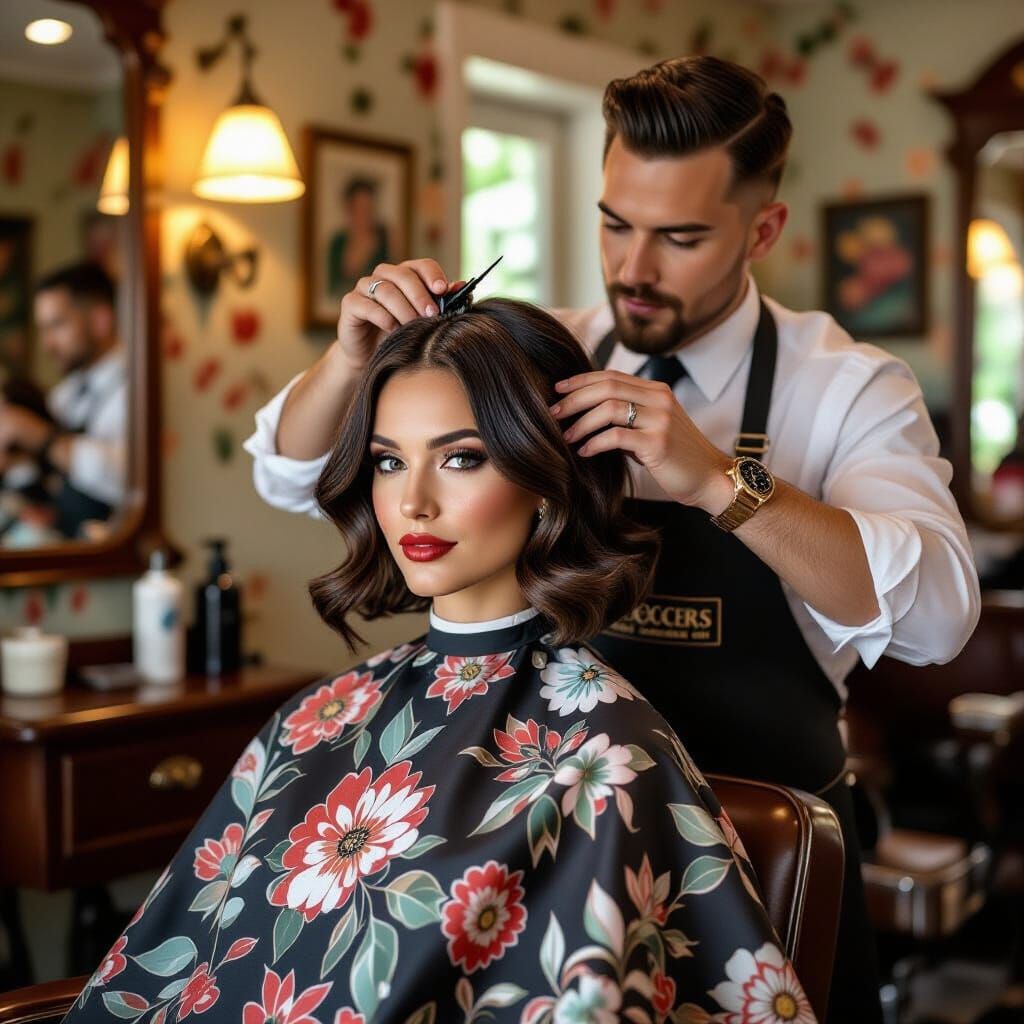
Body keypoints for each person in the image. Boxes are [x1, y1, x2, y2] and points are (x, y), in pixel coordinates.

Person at [244, 57, 981, 1022]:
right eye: (615, 223)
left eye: (680, 237)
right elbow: (289, 474)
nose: (634, 267)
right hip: (556, 848)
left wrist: (720, 481)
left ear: (763, 230)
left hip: (771, 860)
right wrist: (348, 362)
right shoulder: (547, 350)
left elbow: (938, 620)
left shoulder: (847, 386)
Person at [66, 300, 817, 1024]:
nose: (413, 503)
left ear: (544, 483)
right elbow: (174, 967)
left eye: (461, 458)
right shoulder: (316, 717)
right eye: (390, 462)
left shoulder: (605, 757)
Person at [0, 261, 126, 539]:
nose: (47, 344)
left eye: (57, 325)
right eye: (42, 329)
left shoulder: (136, 395)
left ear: (100, 320)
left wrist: (39, 436)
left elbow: (129, 479)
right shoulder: (64, 396)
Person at [327, 177, 394, 297]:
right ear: (349, 209)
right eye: (359, 209)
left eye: (368, 209)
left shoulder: (384, 241)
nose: (364, 216)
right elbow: (334, 287)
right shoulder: (337, 242)